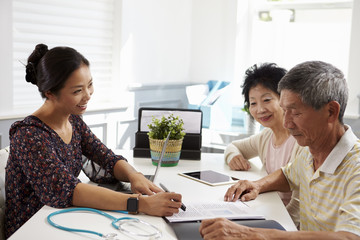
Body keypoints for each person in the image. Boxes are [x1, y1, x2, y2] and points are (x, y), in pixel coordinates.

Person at [5, 44, 182, 238]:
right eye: (77, 91)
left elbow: (106, 157)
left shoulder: (73, 120)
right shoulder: (29, 135)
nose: (88, 95)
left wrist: (134, 176)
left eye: (89, 84)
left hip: (65, 218)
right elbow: (67, 191)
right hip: (33, 229)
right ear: (49, 92)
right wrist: (140, 204)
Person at [200, 61, 360, 239]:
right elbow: (288, 175)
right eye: (284, 111)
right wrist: (257, 185)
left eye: (296, 113)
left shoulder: (356, 167)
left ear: (331, 112)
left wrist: (253, 234)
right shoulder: (310, 151)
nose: (286, 124)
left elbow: (350, 237)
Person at [224, 63, 302, 226]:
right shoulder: (266, 136)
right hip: (266, 212)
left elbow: (299, 204)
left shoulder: (301, 140)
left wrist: (270, 226)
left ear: (285, 99)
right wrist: (234, 156)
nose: (259, 109)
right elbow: (234, 146)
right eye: (253, 103)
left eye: (267, 100)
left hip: (285, 223)